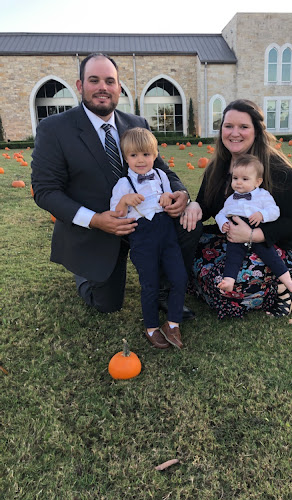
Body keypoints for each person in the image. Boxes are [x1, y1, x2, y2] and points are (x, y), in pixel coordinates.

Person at [31, 53, 198, 321]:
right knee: (108, 304)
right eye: (94, 80)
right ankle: (84, 273)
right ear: (80, 85)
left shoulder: (136, 124)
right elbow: (45, 190)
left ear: (119, 87)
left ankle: (165, 289)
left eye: (110, 81)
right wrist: (96, 220)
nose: (102, 88)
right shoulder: (54, 129)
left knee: (190, 222)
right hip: (97, 229)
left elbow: (163, 169)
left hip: (146, 220)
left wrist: (181, 193)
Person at [180, 99, 292, 319]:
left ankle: (282, 290)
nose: (235, 133)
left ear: (257, 131)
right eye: (228, 126)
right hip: (238, 240)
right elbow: (206, 206)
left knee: (224, 282)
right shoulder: (217, 167)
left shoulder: (278, 169)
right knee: (187, 251)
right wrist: (192, 204)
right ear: (221, 129)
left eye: (243, 127)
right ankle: (237, 290)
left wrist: (254, 234)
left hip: (283, 246)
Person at [110, 127, 186, 349]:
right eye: (134, 155)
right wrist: (125, 201)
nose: (140, 160)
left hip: (167, 234)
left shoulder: (162, 176)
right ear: (126, 158)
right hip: (143, 239)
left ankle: (173, 323)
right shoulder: (123, 184)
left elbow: (171, 198)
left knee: (179, 278)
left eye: (145, 154)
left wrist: (167, 196)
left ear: (155, 155)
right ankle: (151, 327)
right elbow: (116, 214)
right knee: (150, 283)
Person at [215, 154, 292, 305]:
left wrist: (262, 214)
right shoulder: (231, 199)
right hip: (235, 233)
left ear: (258, 181)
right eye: (235, 178)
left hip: (257, 230)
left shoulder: (262, 195)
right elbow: (221, 213)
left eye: (245, 179)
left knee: (270, 256)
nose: (239, 183)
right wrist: (223, 223)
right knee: (232, 256)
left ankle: (287, 281)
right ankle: (229, 280)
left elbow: (275, 211)